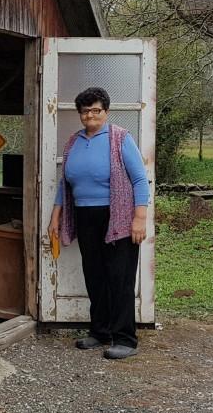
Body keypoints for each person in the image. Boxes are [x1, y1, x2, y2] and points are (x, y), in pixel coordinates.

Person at [47, 86, 149, 360]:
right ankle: (101, 331)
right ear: (80, 114)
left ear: (106, 112)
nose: (90, 115)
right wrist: (56, 215)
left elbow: (140, 179)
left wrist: (139, 218)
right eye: (85, 111)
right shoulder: (73, 142)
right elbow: (65, 184)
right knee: (95, 276)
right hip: (84, 216)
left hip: (118, 217)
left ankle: (125, 338)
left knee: (119, 277)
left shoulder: (120, 139)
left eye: (96, 110)